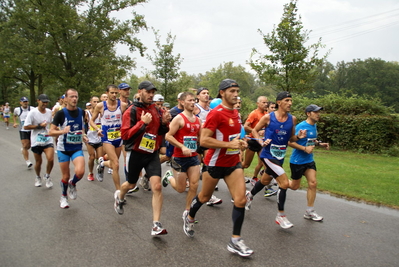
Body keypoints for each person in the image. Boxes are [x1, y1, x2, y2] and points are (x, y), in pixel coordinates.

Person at [184, 79, 253, 257]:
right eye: (232, 91)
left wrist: (241, 143)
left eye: (237, 90)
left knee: (240, 200)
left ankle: (235, 240)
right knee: (204, 197)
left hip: (232, 164)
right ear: (222, 93)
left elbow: (234, 136)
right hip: (214, 163)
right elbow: (204, 141)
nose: (236, 94)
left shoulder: (237, 113)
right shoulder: (215, 114)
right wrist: (229, 143)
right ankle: (190, 216)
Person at [117, 81, 171, 236]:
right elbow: (125, 135)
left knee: (157, 187)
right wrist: (142, 123)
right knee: (130, 184)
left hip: (152, 153)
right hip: (137, 153)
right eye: (148, 92)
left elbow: (160, 130)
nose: (151, 95)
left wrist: (165, 123)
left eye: (153, 92)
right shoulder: (131, 111)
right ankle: (120, 197)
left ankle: (156, 225)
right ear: (140, 92)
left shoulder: (155, 109)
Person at [247, 91, 307, 229]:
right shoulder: (268, 117)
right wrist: (261, 141)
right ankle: (281, 216)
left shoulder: (292, 119)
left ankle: (249, 195)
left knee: (265, 180)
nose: (290, 103)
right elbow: (254, 130)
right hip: (267, 155)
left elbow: (291, 139)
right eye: (287, 100)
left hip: (280, 156)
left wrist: (299, 137)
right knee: (284, 183)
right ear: (279, 102)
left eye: (291, 100)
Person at [162, 92, 201, 220]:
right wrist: (182, 146)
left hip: (193, 157)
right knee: (180, 189)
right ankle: (169, 178)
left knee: (194, 184)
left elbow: (200, 138)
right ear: (183, 102)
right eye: (189, 100)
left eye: (194, 100)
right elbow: (168, 136)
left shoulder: (198, 120)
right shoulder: (178, 118)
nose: (193, 102)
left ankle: (188, 211)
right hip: (179, 158)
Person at [288, 104, 329, 221]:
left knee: (313, 183)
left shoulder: (314, 126)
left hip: (309, 160)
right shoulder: (301, 126)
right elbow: (290, 142)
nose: (318, 114)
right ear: (308, 113)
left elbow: (311, 140)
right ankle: (279, 180)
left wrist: (320, 144)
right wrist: (304, 149)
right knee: (294, 186)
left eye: (318, 112)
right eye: (315, 112)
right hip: (297, 161)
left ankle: (309, 211)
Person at [49, 89, 88, 209]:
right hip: (63, 148)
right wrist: (62, 131)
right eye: (71, 96)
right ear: (65, 99)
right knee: (65, 176)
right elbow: (51, 132)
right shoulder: (61, 113)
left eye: (76, 96)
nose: (74, 99)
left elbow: (81, 127)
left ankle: (73, 183)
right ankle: (64, 196)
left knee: (80, 172)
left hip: (76, 147)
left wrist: (84, 135)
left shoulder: (81, 112)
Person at [90, 85, 128, 188]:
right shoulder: (100, 106)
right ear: (107, 93)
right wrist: (98, 129)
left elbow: (127, 119)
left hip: (119, 138)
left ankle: (102, 164)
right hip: (107, 138)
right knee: (116, 164)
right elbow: (91, 121)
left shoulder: (123, 105)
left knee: (112, 164)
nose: (114, 95)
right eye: (112, 93)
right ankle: (118, 192)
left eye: (116, 93)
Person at [23, 94, 54, 188]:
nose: (45, 104)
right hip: (36, 140)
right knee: (38, 162)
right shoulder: (32, 113)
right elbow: (26, 126)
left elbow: (52, 123)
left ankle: (47, 176)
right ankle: (38, 177)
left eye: (46, 102)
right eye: (43, 102)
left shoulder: (49, 112)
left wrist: (53, 130)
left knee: (50, 158)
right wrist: (39, 126)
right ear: (38, 101)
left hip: (47, 139)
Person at [242, 96, 268, 186]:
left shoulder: (266, 114)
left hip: (261, 142)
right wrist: (255, 131)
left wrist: (264, 131)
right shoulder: (254, 113)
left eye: (266, 102)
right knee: (246, 164)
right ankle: (234, 171)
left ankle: (266, 184)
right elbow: (245, 126)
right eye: (263, 102)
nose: (266, 104)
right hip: (253, 141)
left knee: (265, 163)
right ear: (258, 103)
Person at [84, 96, 103, 181]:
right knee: (92, 157)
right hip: (90, 138)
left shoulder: (102, 112)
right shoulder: (86, 113)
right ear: (90, 102)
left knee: (99, 158)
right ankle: (90, 173)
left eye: (97, 101)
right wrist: (83, 134)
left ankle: (99, 170)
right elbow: (82, 124)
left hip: (99, 138)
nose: (96, 103)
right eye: (94, 101)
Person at [13, 96, 34, 168]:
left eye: (26, 101)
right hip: (23, 130)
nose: (25, 103)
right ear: (20, 103)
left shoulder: (32, 109)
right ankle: (28, 161)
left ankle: (23, 149)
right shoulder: (17, 109)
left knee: (29, 145)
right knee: (25, 145)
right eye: (24, 102)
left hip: (31, 129)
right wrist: (15, 123)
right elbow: (14, 116)